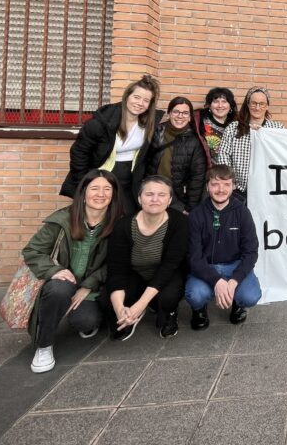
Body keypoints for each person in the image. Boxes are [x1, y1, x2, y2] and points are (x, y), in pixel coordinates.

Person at [24, 170, 122, 373]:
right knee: (59, 291)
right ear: (83, 192)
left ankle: (73, 311)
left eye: (107, 189)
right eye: (94, 188)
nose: (101, 194)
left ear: (113, 194)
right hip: (62, 281)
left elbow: (117, 263)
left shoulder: (119, 224)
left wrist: (88, 286)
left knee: (85, 321)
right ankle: (44, 346)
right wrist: (54, 270)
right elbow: (33, 250)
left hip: (92, 287)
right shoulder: (62, 220)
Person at [60, 74, 162, 214]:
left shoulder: (149, 124)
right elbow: (79, 153)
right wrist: (83, 184)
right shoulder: (102, 122)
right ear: (127, 97)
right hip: (103, 177)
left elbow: (149, 156)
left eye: (146, 100)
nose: (140, 103)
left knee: (127, 217)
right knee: (102, 216)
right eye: (136, 97)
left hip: (130, 180)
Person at [106, 175, 188, 339]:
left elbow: (169, 266)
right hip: (135, 273)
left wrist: (140, 305)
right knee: (106, 301)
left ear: (169, 200)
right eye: (149, 194)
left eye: (161, 195)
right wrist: (120, 310)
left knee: (167, 298)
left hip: (166, 274)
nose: (155, 199)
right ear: (139, 198)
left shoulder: (179, 222)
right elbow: (117, 270)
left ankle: (168, 313)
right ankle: (128, 315)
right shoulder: (123, 225)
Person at [186, 166, 262, 329]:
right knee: (195, 295)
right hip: (206, 266)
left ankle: (238, 304)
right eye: (215, 184)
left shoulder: (243, 213)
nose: (221, 189)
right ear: (207, 186)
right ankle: (199, 309)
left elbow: (251, 252)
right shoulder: (196, 215)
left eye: (226, 184)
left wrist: (234, 281)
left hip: (234, 265)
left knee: (250, 296)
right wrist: (216, 280)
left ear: (233, 186)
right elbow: (194, 257)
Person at [215, 86, 285, 200]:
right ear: (247, 104)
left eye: (262, 104)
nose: (257, 107)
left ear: (267, 106)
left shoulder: (277, 128)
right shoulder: (233, 128)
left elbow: (283, 154)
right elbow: (224, 155)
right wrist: (229, 182)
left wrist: (264, 134)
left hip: (268, 190)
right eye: (253, 103)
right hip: (239, 191)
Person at [147, 97, 207, 214]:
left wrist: (189, 208)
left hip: (177, 197)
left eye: (185, 113)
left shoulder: (194, 141)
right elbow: (143, 162)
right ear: (169, 114)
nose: (180, 116)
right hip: (153, 192)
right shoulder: (156, 132)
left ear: (190, 117)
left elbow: (197, 177)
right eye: (176, 111)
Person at [195, 87, 237, 166]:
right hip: (205, 170)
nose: (220, 105)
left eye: (224, 101)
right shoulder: (198, 120)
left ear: (230, 106)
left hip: (230, 171)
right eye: (216, 101)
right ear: (209, 105)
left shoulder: (237, 125)